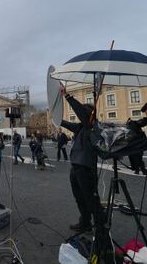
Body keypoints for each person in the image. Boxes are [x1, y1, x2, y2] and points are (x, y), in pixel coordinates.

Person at [60, 85, 103, 232]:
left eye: (84, 112)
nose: (80, 115)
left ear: (90, 115)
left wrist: (67, 96)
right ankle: (85, 222)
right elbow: (64, 123)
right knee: (79, 198)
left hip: (86, 169)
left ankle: (101, 227)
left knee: (91, 199)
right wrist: (55, 116)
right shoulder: (81, 127)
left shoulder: (93, 126)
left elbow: (82, 115)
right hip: (76, 167)